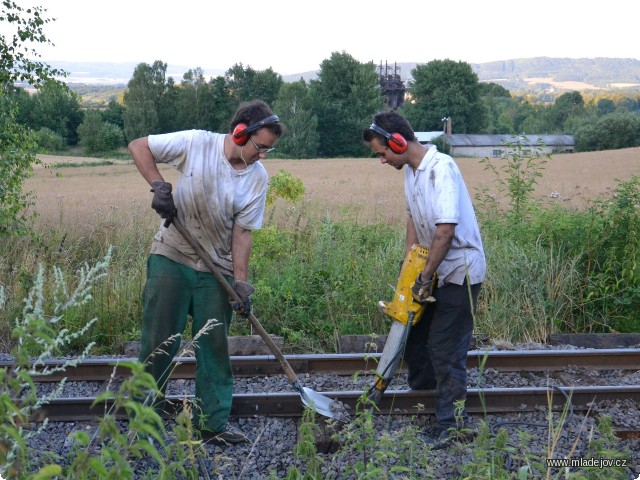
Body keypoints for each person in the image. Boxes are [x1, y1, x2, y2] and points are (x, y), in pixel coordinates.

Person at [129, 99, 283, 444]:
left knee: (213, 348)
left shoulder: (258, 178)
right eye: (261, 147)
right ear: (240, 132)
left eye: (269, 150)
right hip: (172, 255)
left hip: (217, 270)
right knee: (158, 342)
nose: (263, 156)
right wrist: (159, 186)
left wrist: (240, 282)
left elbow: (242, 232)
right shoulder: (197, 143)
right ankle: (143, 419)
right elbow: (139, 146)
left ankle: (211, 425)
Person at [362, 111, 486, 448]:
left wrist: (425, 276)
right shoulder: (412, 173)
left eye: (382, 152)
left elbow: (445, 231)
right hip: (432, 270)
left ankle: (451, 425)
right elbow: (414, 219)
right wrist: (409, 266)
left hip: (459, 271)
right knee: (414, 339)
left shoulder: (441, 169)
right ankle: (424, 400)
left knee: (445, 349)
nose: (382, 160)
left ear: (399, 142)